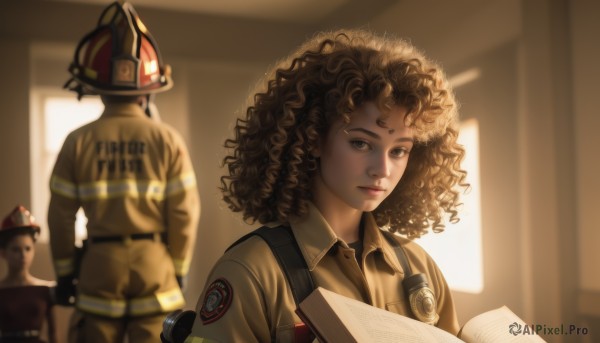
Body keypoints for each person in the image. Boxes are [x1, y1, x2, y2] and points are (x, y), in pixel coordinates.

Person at [185, 29, 468, 342]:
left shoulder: (420, 266)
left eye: (399, 150)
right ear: (314, 139)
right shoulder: (250, 272)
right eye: (361, 143)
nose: (382, 169)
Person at [47, 2, 200, 342]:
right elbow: (184, 214)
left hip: (100, 266)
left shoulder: (77, 142)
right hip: (154, 265)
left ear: (95, 85)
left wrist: (65, 274)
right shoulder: (168, 139)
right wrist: (179, 269)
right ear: (148, 88)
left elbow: (60, 216)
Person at [0, 205, 57, 343]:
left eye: (28, 249)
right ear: (3, 253)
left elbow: (54, 335)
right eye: (15, 249)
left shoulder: (46, 289)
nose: (23, 255)